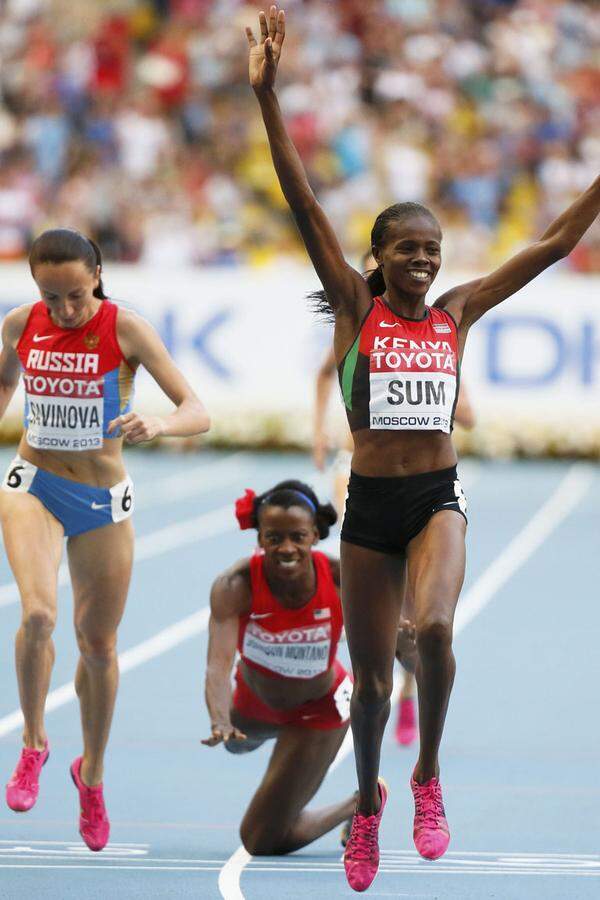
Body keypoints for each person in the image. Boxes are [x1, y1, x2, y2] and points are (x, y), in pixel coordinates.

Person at [246, 7, 600, 892]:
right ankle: (366, 806)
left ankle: (427, 777)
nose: (424, 262)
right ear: (377, 256)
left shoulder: (459, 313)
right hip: (369, 512)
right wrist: (267, 95)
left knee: (435, 629)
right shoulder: (356, 310)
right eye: (407, 249)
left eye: (433, 251)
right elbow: (303, 201)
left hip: (437, 496)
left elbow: (554, 244)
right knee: (367, 689)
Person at [1, 228, 209, 851]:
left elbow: (197, 409)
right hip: (32, 483)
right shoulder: (19, 323)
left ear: (96, 274)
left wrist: (161, 422)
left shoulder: (126, 329)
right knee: (38, 614)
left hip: (100, 500)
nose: (62, 310)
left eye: (73, 295)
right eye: (50, 296)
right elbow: (4, 383)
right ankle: (34, 743)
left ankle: (91, 775)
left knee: (98, 645)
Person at [313, 253, 476, 750]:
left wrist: (441, 395)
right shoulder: (355, 320)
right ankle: (391, 672)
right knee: (388, 610)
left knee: (423, 613)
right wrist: (321, 429)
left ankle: (409, 684)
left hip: (428, 484)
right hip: (359, 473)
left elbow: (466, 415)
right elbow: (325, 375)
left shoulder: (439, 332)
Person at [203, 480, 357, 855]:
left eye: (297, 537)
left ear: (316, 535)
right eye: (274, 538)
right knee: (233, 745)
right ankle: (252, 735)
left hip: (317, 711)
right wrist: (220, 719)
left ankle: (360, 804)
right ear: (259, 536)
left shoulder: (342, 579)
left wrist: (408, 641)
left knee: (260, 840)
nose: (286, 548)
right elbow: (217, 666)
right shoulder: (234, 585)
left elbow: (385, 647)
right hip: (255, 703)